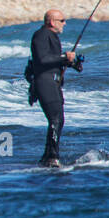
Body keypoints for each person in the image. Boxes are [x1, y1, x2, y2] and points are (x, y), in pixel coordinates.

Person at [28, 9, 79, 168]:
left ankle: (48, 156)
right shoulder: (41, 35)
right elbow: (42, 59)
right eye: (62, 20)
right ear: (51, 22)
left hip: (53, 82)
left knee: (58, 120)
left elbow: (52, 60)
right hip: (45, 82)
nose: (64, 23)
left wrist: (71, 62)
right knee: (55, 119)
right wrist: (64, 57)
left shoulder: (52, 37)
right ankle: (51, 157)